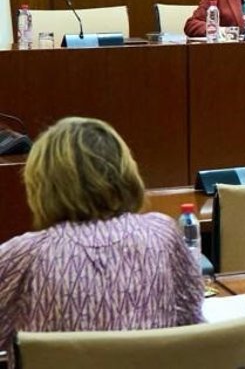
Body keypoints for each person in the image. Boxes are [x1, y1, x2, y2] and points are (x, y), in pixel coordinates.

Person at [0, 118, 204, 354]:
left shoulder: (22, 256)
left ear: (40, 183)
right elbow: (192, 324)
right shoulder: (162, 234)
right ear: (126, 172)